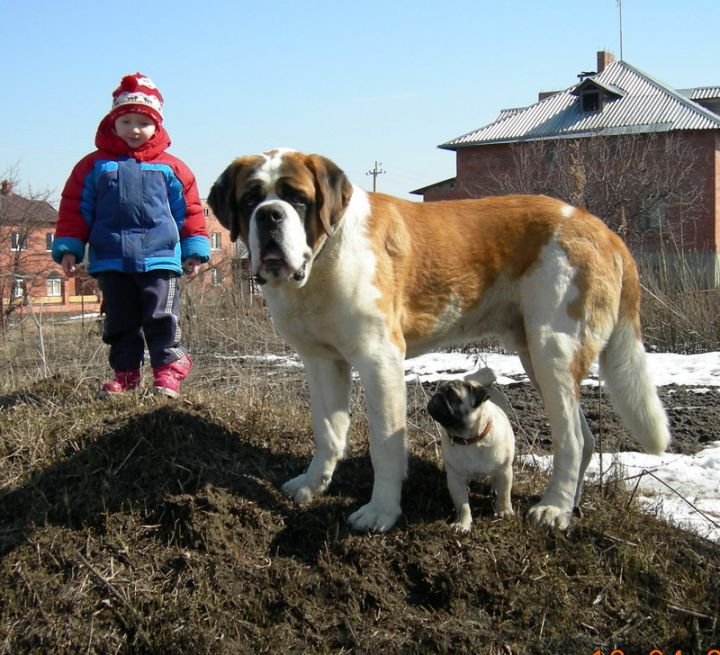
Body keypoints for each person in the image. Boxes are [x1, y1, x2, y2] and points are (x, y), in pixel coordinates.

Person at [52, 73, 210, 398]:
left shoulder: (172, 168)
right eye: (126, 121)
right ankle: (125, 375)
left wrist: (193, 248)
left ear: (157, 126)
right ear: (113, 122)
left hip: (160, 259)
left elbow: (191, 211)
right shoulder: (94, 167)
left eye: (143, 123)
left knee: (160, 316)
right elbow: (74, 209)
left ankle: (169, 370)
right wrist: (70, 247)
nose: (134, 130)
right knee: (119, 320)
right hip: (112, 259)